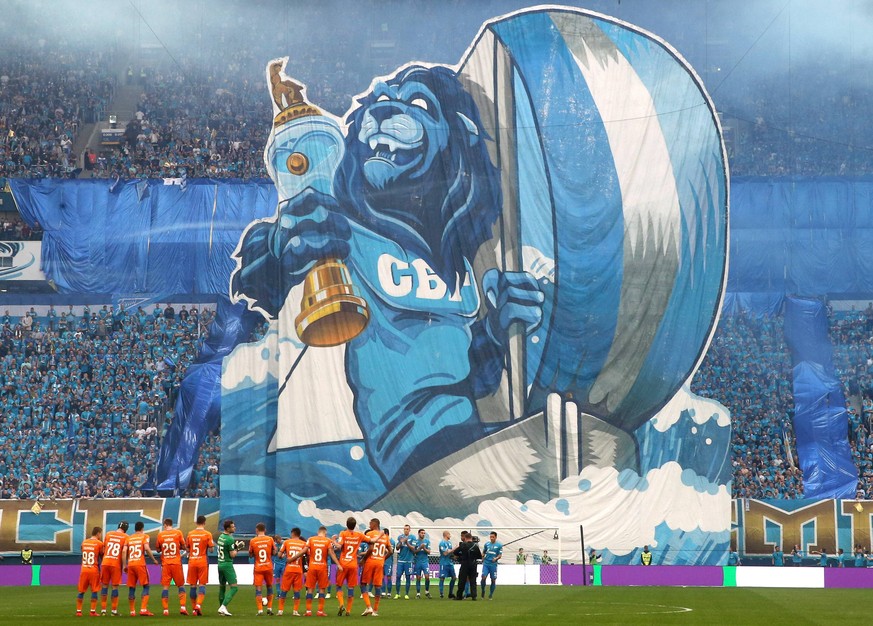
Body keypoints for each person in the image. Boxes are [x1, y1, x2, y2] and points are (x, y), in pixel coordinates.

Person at [290, 525, 343, 617]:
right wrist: (338, 564)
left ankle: (308, 611)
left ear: (318, 532)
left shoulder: (311, 539)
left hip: (312, 567)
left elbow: (304, 551)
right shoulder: (327, 541)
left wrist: (293, 558)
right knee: (322, 589)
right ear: (325, 532)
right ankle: (320, 611)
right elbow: (331, 553)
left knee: (310, 589)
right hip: (322, 568)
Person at [335, 516, 369, 616]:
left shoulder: (343, 533)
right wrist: (380, 536)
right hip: (353, 565)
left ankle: (341, 604)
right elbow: (372, 540)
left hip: (343, 564)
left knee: (338, 586)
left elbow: (339, 546)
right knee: (351, 587)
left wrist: (333, 541)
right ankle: (349, 611)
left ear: (346, 524)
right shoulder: (359, 535)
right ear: (354, 526)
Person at [125, 521, 159, 617]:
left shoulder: (129, 538)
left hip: (131, 564)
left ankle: (132, 612)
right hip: (140, 564)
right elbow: (147, 548)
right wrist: (153, 559)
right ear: (142, 528)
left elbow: (124, 551)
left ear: (135, 529)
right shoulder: (144, 536)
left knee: (132, 587)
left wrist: (125, 565)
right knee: (146, 586)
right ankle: (143, 609)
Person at [361, 518, 393, 617]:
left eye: (370, 523)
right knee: (378, 586)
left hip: (370, 561)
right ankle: (375, 610)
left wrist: (364, 559)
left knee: (363, 583)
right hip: (380, 562)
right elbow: (391, 551)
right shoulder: (385, 537)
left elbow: (370, 549)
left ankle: (368, 607)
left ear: (374, 524)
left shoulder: (370, 534)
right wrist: (383, 558)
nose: (369, 525)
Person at [156, 517, 187, 616]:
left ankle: (165, 610)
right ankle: (182, 607)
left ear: (165, 525)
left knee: (165, 587)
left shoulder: (161, 534)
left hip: (166, 564)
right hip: (176, 563)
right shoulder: (178, 533)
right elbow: (184, 546)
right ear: (171, 524)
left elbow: (157, 549)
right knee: (181, 585)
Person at [186, 515, 214, 616]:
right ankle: (198, 605)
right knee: (202, 584)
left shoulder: (190, 534)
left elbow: (188, 549)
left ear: (196, 522)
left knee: (193, 586)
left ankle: (194, 609)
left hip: (192, 561)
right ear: (204, 523)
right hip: (202, 561)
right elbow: (211, 550)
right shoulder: (207, 534)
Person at [100, 521, 129, 615]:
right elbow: (124, 552)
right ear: (126, 529)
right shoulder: (126, 537)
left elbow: (104, 549)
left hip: (105, 562)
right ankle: (113, 611)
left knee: (104, 585)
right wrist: (124, 565)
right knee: (115, 587)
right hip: (115, 564)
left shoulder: (108, 534)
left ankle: (103, 610)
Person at [277, 528, 307, 616]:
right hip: (298, 569)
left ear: (292, 533)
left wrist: (284, 555)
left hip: (289, 569)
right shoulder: (303, 544)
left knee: (284, 590)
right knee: (297, 591)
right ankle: (295, 611)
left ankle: (280, 610)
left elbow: (279, 555)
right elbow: (306, 555)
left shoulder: (287, 542)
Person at [249, 522, 276, 616]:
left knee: (258, 589)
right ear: (265, 530)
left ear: (256, 530)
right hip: (268, 567)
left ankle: (260, 610)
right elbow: (274, 551)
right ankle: (269, 608)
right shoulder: (270, 539)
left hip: (258, 568)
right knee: (269, 586)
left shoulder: (253, 541)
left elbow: (251, 554)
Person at [76, 527, 103, 617]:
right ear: (98, 533)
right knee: (94, 591)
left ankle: (79, 611)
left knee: (81, 591)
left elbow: (82, 550)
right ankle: (92, 611)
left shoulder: (84, 542)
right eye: (100, 534)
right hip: (93, 570)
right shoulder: (99, 543)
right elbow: (101, 555)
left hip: (84, 569)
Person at [216, 519, 240, 616]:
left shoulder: (221, 536)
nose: (235, 528)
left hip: (220, 564)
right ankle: (223, 607)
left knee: (222, 588)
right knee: (234, 588)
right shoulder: (230, 539)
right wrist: (237, 548)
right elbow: (232, 554)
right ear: (228, 528)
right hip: (227, 565)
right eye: (233, 526)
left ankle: (221, 609)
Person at [453, 531, 482, 601]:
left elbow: (455, 552)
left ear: (465, 538)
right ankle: (474, 596)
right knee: (473, 580)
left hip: (465, 563)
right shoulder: (475, 545)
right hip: (473, 564)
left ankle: (459, 596)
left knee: (462, 580)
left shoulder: (463, 544)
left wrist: (461, 555)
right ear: (471, 538)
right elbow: (479, 556)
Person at [480, 531, 502, 600]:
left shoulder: (499, 545)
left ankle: (491, 594)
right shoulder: (487, 544)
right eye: (490, 537)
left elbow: (500, 555)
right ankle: (483, 590)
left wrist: (496, 558)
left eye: (493, 537)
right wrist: (482, 557)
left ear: (496, 537)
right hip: (486, 563)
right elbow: (483, 552)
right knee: (483, 577)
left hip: (493, 565)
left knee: (493, 580)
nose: (491, 538)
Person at [410, 528, 431, 599]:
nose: (423, 534)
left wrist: (424, 548)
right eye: (422, 533)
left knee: (427, 577)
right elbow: (414, 551)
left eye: (424, 533)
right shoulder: (415, 541)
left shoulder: (427, 541)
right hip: (417, 562)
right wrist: (420, 548)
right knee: (418, 578)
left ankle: (427, 591)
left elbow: (429, 552)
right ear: (419, 533)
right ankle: (418, 593)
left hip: (425, 562)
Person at [394, 524, 414, 599]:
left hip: (409, 561)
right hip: (400, 561)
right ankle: (397, 593)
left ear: (409, 530)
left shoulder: (412, 537)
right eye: (405, 529)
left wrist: (407, 542)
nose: (406, 530)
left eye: (407, 529)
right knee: (398, 576)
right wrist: (401, 542)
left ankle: (406, 594)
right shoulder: (400, 537)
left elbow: (413, 549)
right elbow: (397, 548)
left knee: (408, 577)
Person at [438, 531, 457, 599]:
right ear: (446, 535)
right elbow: (445, 553)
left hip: (450, 563)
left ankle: (450, 593)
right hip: (444, 563)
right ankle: (441, 593)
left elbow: (450, 553)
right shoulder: (442, 543)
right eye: (449, 534)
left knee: (454, 577)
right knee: (442, 578)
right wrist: (455, 548)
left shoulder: (449, 543)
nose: (450, 535)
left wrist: (454, 557)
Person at [383, 529, 396, 599]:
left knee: (388, 577)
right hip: (381, 561)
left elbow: (391, 551)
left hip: (388, 561)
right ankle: (383, 592)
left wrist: (384, 549)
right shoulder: (381, 541)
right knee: (381, 577)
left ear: (386, 534)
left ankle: (389, 593)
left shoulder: (392, 542)